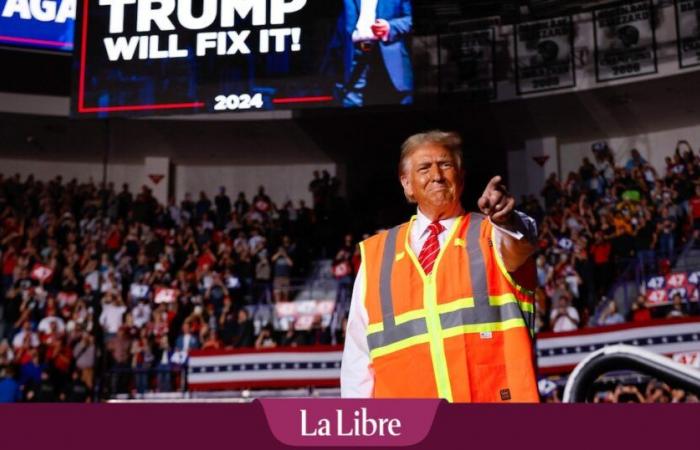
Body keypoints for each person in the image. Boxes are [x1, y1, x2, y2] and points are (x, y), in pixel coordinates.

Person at [340, 130, 539, 402]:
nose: (436, 175)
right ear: (407, 184)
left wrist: (506, 219)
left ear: (461, 176)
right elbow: (357, 360)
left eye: (445, 165)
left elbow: (522, 241)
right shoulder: (376, 255)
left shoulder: (493, 233)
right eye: (424, 168)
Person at [336, 0, 413, 107]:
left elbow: (410, 19)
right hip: (355, 50)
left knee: (397, 97)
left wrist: (389, 27)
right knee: (351, 97)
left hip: (389, 51)